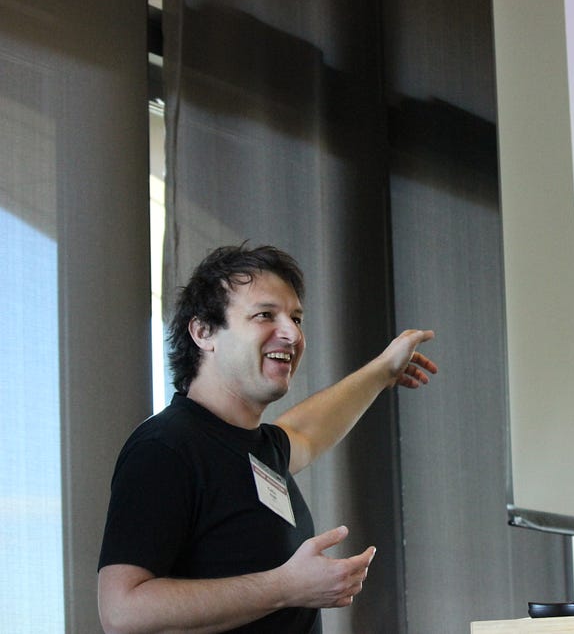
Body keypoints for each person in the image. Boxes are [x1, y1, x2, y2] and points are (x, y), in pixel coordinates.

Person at [97, 244, 438, 633]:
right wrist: (286, 586)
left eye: (296, 317)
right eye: (265, 315)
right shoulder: (165, 448)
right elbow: (122, 614)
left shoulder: (258, 448)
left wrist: (381, 371)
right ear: (204, 332)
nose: (292, 333)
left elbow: (307, 431)